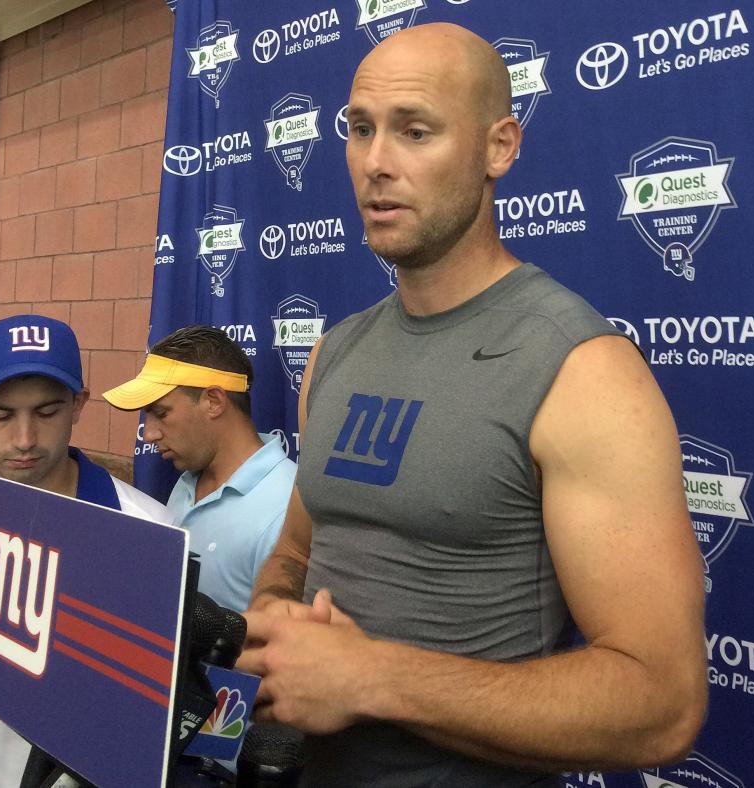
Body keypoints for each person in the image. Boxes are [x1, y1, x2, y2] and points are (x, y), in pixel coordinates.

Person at [237, 22, 707, 786]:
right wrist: (274, 616)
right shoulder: (335, 350)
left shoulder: (581, 370)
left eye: (414, 131)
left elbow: (660, 703)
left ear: (499, 148)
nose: (376, 164)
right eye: (359, 130)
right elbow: (296, 551)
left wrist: (370, 678)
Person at [0, 314, 172, 787]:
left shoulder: (146, 532)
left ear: (78, 404)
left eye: (47, 411)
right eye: (1, 414)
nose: (25, 439)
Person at [103, 325, 297, 613]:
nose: (149, 434)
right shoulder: (187, 481)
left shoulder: (286, 508)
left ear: (214, 401)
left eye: (161, 412)